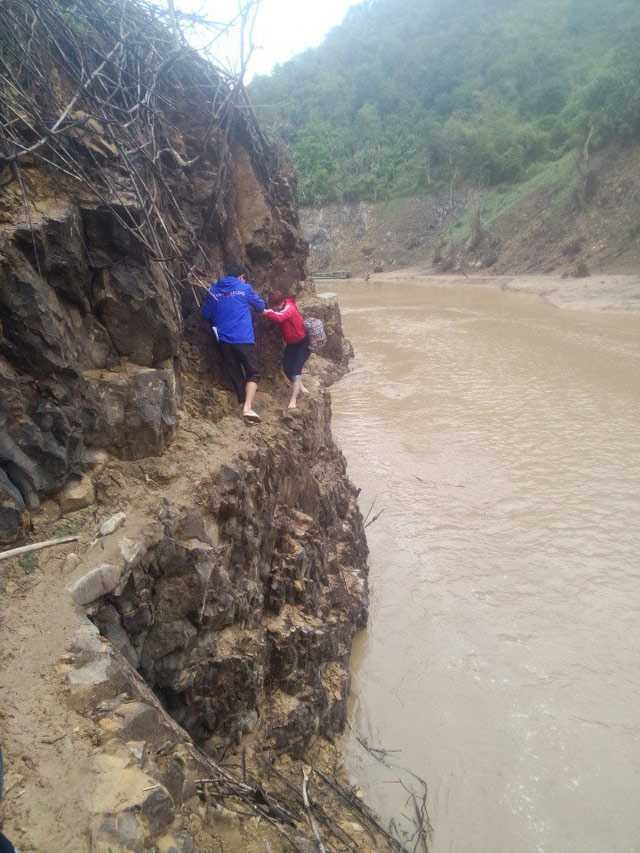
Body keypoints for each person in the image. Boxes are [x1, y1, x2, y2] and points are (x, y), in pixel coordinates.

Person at [201, 262, 266, 422]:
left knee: (235, 372)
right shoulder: (244, 288)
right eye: (244, 278)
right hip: (243, 338)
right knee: (253, 373)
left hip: (223, 340)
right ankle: (247, 408)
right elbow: (261, 306)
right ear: (241, 277)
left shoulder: (214, 290)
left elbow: (205, 313)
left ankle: (242, 403)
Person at [263, 290, 311, 410]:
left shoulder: (289, 307)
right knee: (287, 369)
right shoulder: (281, 307)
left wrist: (264, 311)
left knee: (296, 370)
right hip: (291, 343)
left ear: (280, 303)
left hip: (303, 343)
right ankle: (300, 386)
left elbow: (280, 317)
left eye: (274, 307)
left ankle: (293, 399)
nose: (274, 309)